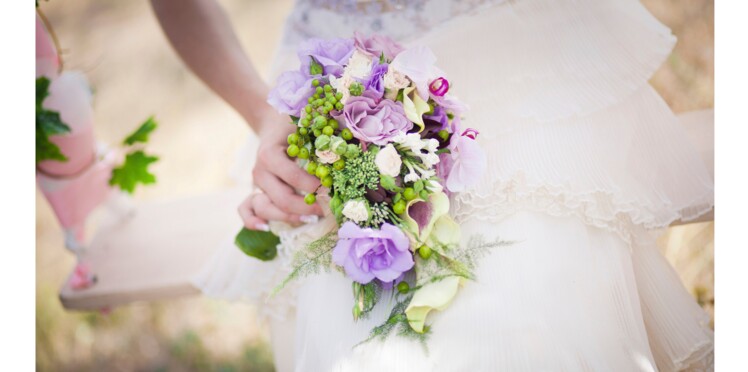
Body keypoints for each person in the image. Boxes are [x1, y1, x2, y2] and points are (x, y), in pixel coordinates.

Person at [151, 0, 714, 371]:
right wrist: (263, 110)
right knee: (362, 345)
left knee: (540, 313)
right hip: (328, 89)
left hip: (519, 55)